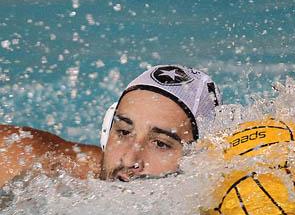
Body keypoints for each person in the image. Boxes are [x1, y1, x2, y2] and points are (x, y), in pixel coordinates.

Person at [0, 65, 222, 187]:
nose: (130, 160)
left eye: (160, 144)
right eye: (124, 132)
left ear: (197, 158)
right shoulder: (40, 169)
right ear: (107, 130)